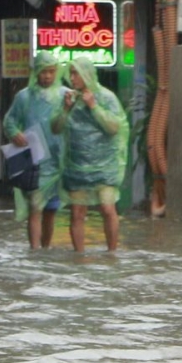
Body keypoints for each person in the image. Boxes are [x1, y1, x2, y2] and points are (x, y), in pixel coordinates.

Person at [52, 58, 128, 252]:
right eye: (70, 73)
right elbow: (56, 128)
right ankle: (79, 256)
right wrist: (65, 109)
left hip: (105, 168)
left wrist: (94, 106)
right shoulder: (70, 99)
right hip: (77, 168)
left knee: (108, 209)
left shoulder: (106, 97)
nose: (72, 78)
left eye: (76, 73)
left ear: (87, 74)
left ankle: (112, 253)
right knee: (77, 212)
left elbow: (114, 127)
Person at [2, 52, 67, 249]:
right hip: (34, 161)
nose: (47, 76)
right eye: (43, 72)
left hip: (57, 163)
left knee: (50, 211)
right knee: (35, 207)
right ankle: (35, 250)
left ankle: (45, 249)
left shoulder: (65, 96)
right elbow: (10, 121)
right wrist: (15, 133)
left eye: (51, 72)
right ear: (36, 72)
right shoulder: (24, 97)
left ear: (56, 72)